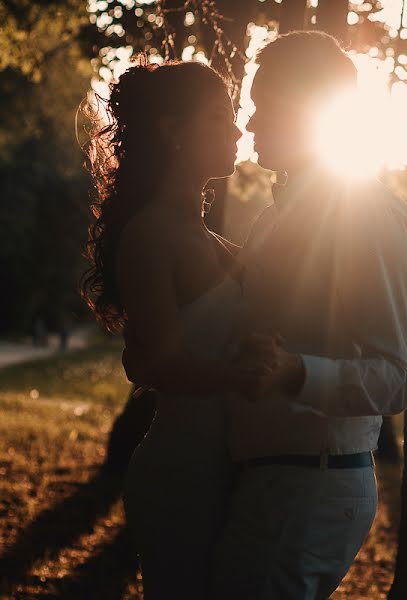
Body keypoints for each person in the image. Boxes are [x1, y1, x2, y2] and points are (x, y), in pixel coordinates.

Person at [210, 31, 407, 599]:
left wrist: (295, 371)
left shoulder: (369, 214)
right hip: (269, 477)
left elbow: (398, 377)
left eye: (262, 106)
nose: (250, 125)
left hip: (310, 486)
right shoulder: (272, 221)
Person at [80, 59, 281, 599]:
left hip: (229, 465)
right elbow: (159, 364)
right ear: (173, 130)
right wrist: (246, 376)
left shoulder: (206, 238)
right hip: (183, 473)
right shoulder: (151, 235)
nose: (238, 130)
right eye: (220, 116)